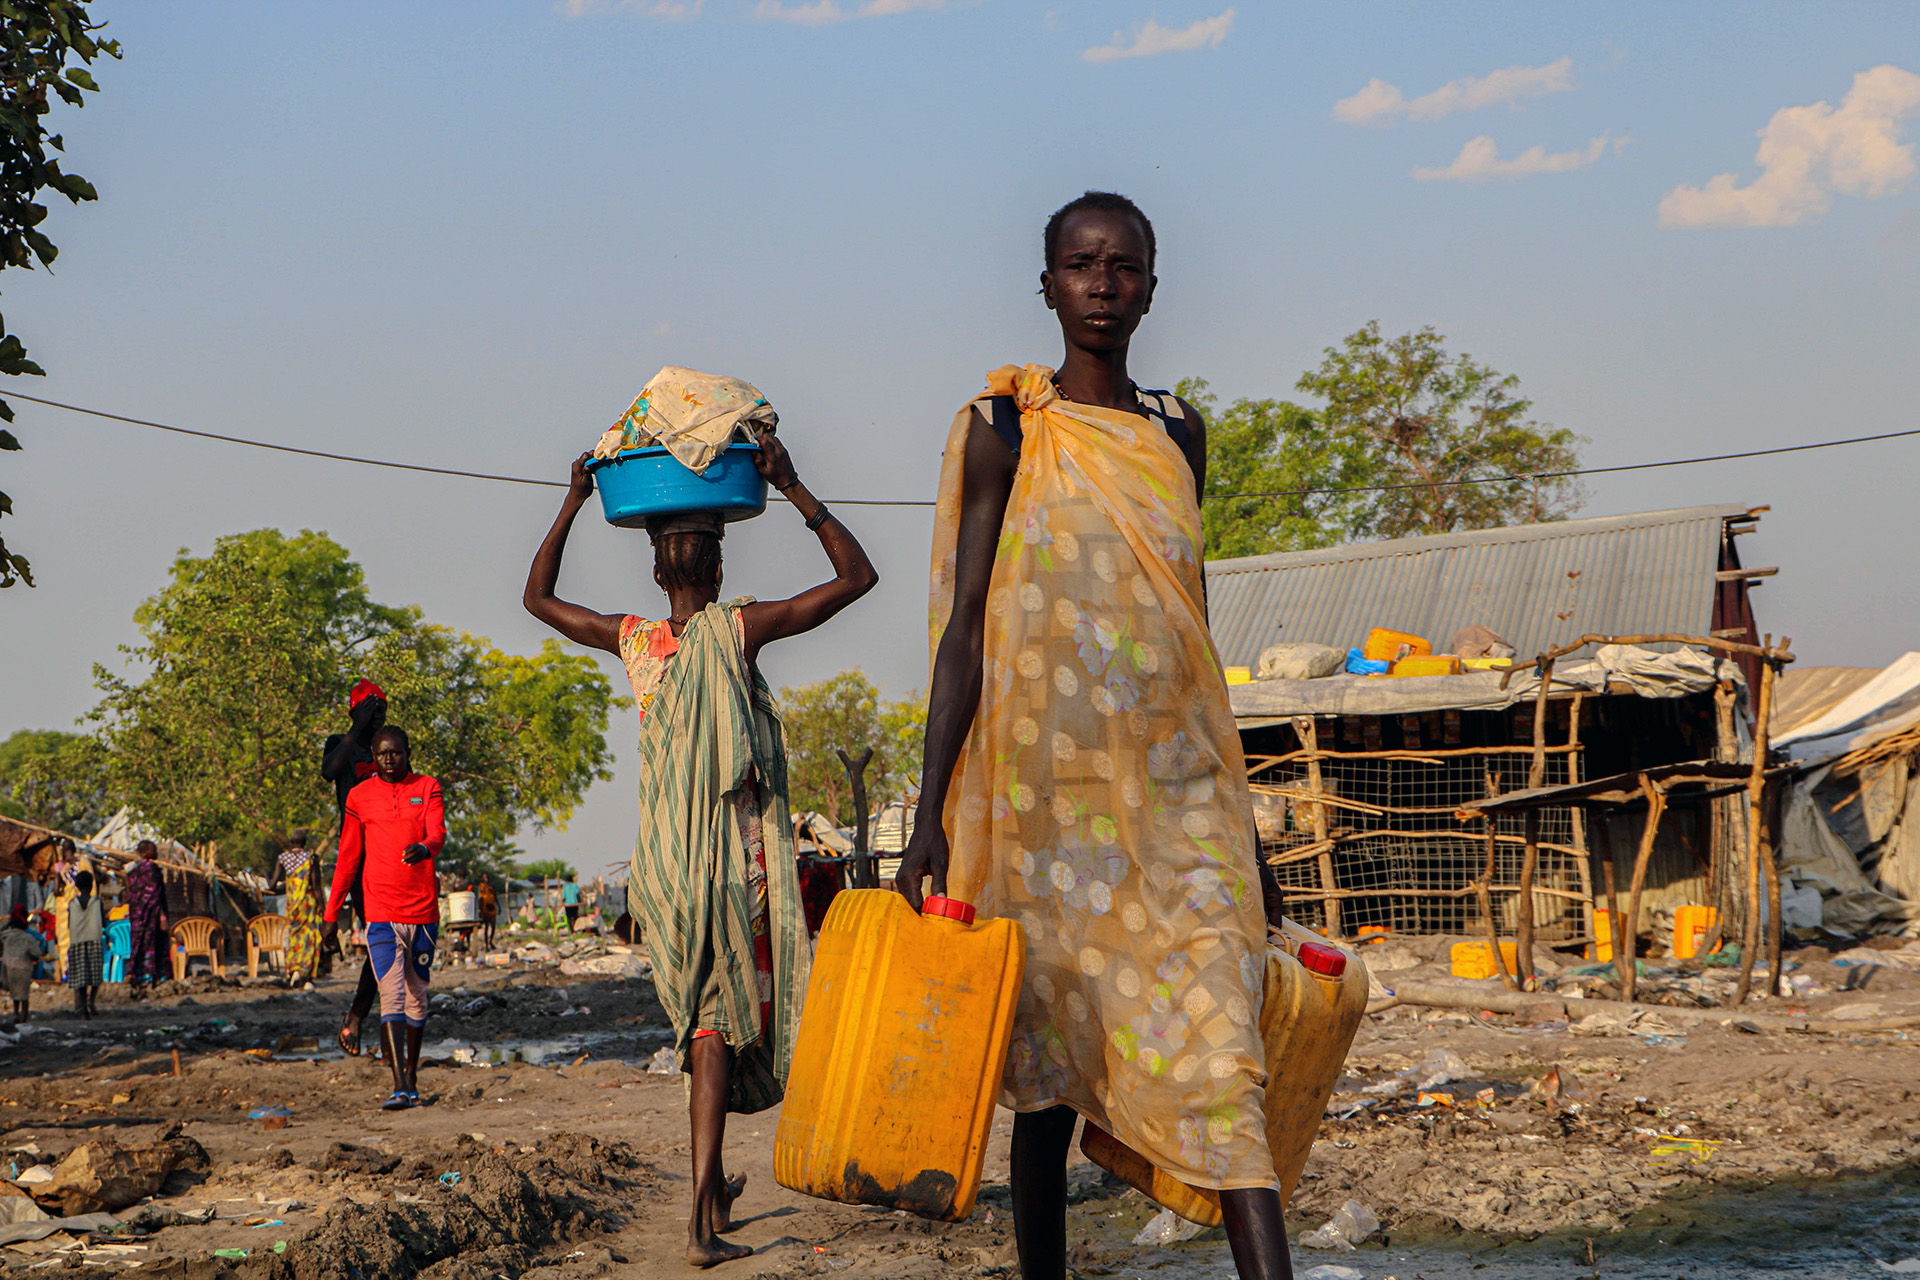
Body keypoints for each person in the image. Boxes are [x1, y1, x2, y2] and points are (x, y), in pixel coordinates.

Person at [894, 192, 1294, 1280]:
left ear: (1155, 284)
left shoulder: (1178, 433)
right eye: (1082, 265)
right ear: (1048, 285)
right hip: (1046, 811)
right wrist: (928, 816)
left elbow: (1187, 624)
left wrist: (1242, 823)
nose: (1104, 285)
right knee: (1048, 1078)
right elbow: (966, 627)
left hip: (1179, 802)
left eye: (1124, 266)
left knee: (1227, 1058)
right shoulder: (1003, 429)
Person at [523, 426, 876, 1267]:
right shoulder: (740, 630)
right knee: (718, 1027)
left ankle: (712, 1190)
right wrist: (794, 487)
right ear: (717, 570)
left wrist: (573, 499)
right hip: (733, 863)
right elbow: (857, 577)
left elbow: (538, 599)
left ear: (655, 571)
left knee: (703, 1026)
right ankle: (699, 1227)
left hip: (667, 871)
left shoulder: (637, 642)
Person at [322, 726, 445, 1110]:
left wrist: (425, 848)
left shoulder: (427, 787)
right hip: (381, 912)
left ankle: (412, 1074)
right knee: (390, 992)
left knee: (417, 996)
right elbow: (348, 857)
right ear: (373, 757)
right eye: (381, 754)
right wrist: (331, 913)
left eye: (396, 753)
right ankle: (401, 1085)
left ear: (408, 753)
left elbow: (438, 832)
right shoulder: (359, 797)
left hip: (423, 910)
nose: (389, 760)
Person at [322, 678, 387, 1055]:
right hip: (358, 857)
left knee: (393, 945)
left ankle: (369, 1018)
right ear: (355, 711)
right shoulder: (341, 745)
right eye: (370, 709)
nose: (377, 716)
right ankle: (359, 1016)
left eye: (381, 709)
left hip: (390, 855)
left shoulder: (388, 747)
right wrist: (354, 731)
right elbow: (330, 771)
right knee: (381, 944)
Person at [273, 830, 323, 985]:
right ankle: (306, 975)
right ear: (305, 842)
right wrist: (323, 907)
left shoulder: (282, 859)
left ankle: (293, 971)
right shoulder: (310, 859)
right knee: (309, 939)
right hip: (308, 905)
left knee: (294, 938)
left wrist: (265, 875)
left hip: (292, 907)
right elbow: (316, 886)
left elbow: (272, 885)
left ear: (291, 842)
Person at [122, 840, 170, 989]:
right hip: (151, 915)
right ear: (145, 853)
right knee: (152, 944)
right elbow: (155, 895)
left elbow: (130, 892)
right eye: (152, 849)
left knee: (137, 944)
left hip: (136, 915)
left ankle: (136, 976)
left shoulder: (131, 870)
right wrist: (162, 916)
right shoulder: (152, 869)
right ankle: (150, 978)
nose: (155, 851)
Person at [66, 870, 104, 1019]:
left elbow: (70, 924)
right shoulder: (97, 902)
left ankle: (83, 1008)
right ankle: (91, 1000)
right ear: (91, 885)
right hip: (94, 939)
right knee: (95, 975)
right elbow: (103, 922)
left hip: (77, 941)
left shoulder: (72, 903)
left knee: (81, 978)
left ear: (76, 886)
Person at [2, 903, 49, 1024]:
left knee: (15, 994)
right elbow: (37, 953)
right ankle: (23, 1017)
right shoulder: (28, 938)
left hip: (9, 969)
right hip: (24, 969)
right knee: (24, 996)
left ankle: (15, 1014)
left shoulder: (6, 936)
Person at [475, 874, 498, 951]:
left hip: (492, 907)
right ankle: (487, 945)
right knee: (486, 927)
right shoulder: (481, 887)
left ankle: (491, 941)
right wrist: (479, 909)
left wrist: (499, 906)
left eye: (487, 877)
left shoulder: (492, 886)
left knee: (493, 926)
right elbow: (480, 898)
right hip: (485, 908)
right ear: (482, 878)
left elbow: (495, 896)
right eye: (484, 877)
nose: (486, 878)